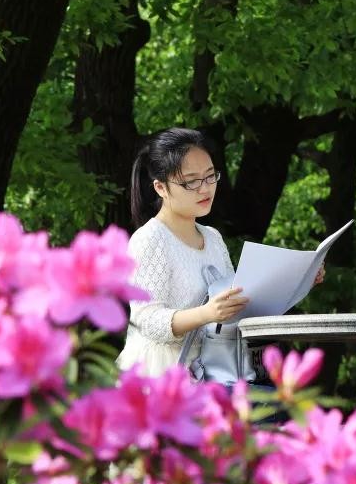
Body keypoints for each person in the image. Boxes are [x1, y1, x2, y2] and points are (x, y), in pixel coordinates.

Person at [115, 128, 324, 379]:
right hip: (161, 375)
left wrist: (299, 282)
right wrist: (206, 314)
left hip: (214, 371)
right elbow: (146, 320)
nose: (205, 189)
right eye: (191, 181)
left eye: (210, 176)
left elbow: (239, 305)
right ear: (160, 187)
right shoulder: (150, 239)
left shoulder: (213, 238)